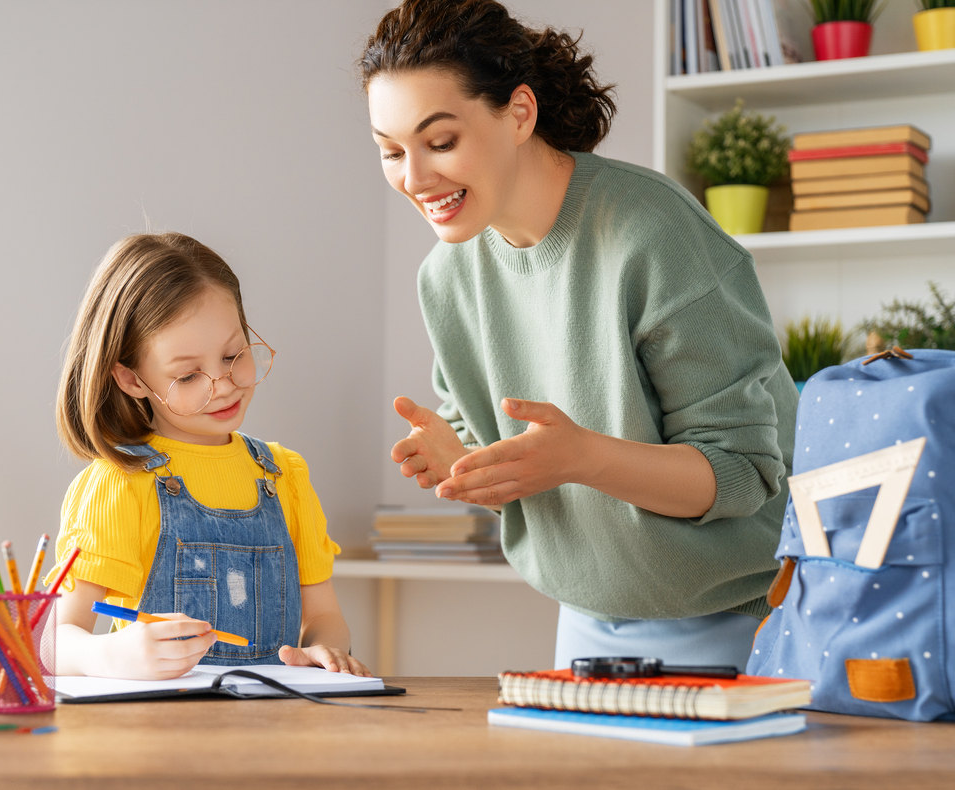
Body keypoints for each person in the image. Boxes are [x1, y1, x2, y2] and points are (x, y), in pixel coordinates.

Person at [361, 0, 798, 669]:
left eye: (440, 142)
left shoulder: (653, 234)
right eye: (391, 151)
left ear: (519, 114)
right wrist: (464, 463)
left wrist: (582, 458)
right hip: (587, 628)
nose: (415, 179)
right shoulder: (446, 277)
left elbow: (742, 473)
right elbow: (520, 456)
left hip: (745, 622)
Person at [49, 232, 369, 679]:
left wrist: (323, 651)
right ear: (132, 380)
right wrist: (111, 655)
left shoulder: (286, 476)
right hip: (163, 734)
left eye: (234, 354)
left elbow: (324, 618)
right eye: (188, 375)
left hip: (277, 729)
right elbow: (56, 641)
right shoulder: (120, 483)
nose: (223, 383)